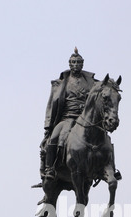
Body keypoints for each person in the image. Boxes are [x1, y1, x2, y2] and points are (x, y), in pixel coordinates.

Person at [40, 48, 97, 179]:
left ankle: (110, 166)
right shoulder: (60, 83)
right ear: (69, 64)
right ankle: (50, 168)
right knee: (54, 138)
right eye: (73, 62)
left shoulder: (92, 82)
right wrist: (48, 127)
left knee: (104, 137)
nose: (76, 65)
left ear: (82, 64)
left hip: (86, 119)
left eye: (78, 62)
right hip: (67, 118)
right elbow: (50, 107)